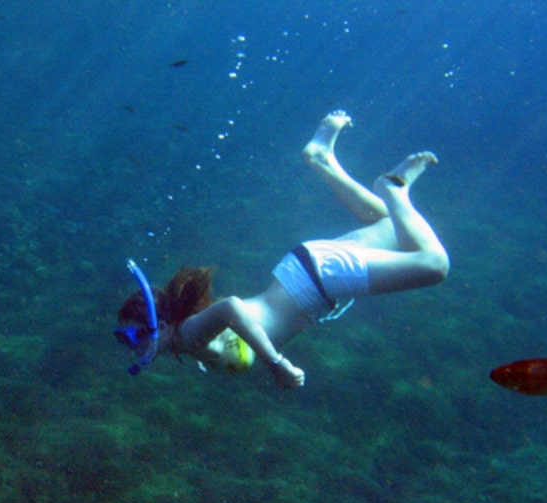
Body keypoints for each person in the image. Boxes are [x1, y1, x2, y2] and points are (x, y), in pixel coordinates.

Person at [115, 110, 449, 389]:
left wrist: (276, 363)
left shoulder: (188, 335)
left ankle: (394, 189)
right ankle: (322, 160)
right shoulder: (186, 339)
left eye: (131, 335)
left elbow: (230, 307)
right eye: (125, 338)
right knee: (395, 227)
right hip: (304, 272)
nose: (131, 346)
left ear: (160, 325)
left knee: (433, 264)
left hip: (317, 282)